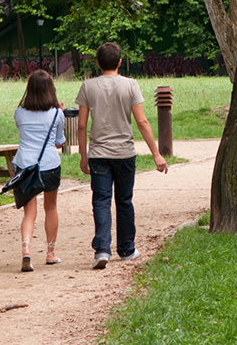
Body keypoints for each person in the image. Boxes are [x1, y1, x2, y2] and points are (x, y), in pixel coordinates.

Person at [76, 42, 168, 269]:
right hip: (125, 153)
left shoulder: (88, 86)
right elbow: (142, 121)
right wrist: (156, 154)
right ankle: (126, 249)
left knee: (101, 200)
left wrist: (83, 155)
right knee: (124, 201)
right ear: (119, 62)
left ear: (97, 63)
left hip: (98, 154)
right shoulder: (130, 85)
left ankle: (102, 250)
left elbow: (80, 125)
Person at [13, 70, 66, 272]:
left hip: (24, 165)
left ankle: (26, 250)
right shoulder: (56, 114)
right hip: (49, 165)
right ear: (50, 90)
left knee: (29, 212)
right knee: (50, 208)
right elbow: (59, 142)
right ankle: (51, 253)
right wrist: (60, 111)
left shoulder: (19, 112)